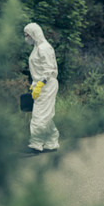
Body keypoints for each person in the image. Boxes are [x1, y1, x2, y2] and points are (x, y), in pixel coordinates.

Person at [22, 23, 60, 155]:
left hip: (46, 85)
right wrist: (35, 85)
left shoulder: (44, 48)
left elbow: (49, 69)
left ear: (34, 34)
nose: (26, 38)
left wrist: (40, 84)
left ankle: (36, 145)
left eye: (27, 35)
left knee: (39, 115)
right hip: (41, 85)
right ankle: (51, 143)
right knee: (46, 115)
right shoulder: (37, 48)